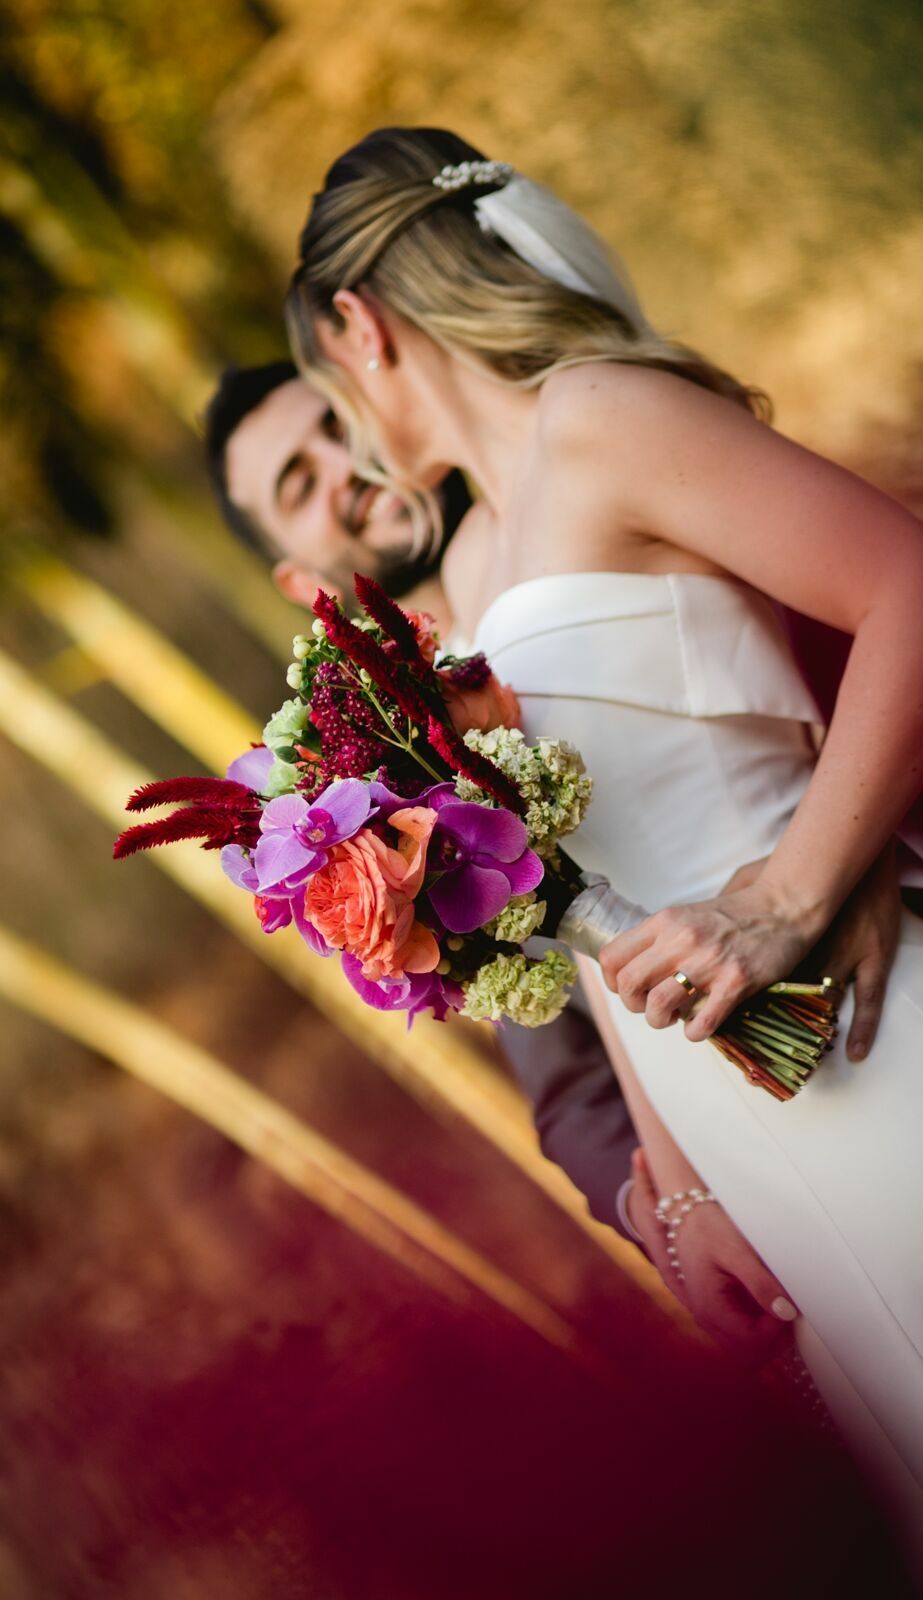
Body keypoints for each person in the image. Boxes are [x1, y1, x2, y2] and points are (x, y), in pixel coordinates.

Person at [283, 126, 923, 1545]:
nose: (353, 431)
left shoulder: (608, 416)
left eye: (331, 392)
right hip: (718, 1107)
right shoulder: (459, 572)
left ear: (357, 327)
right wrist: (680, 1188)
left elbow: (904, 588)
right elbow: (573, 904)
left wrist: (793, 886)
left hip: (855, 1013)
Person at [203, 358, 905, 1362]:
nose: (341, 471)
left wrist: (848, 856)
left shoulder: (605, 521)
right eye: (298, 485)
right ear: (298, 581)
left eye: (334, 429)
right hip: (754, 1162)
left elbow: (843, 643)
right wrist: (666, 1206)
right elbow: (564, 1083)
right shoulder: (385, 782)